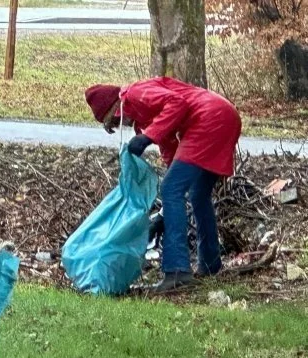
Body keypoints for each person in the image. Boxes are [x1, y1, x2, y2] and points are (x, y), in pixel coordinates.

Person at [85, 77, 242, 292]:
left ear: (116, 107)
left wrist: (148, 137)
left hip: (209, 118)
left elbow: (177, 103)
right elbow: (170, 149)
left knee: (170, 189)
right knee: (197, 194)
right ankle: (209, 264)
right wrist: (165, 213)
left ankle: (177, 271)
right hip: (224, 115)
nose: (120, 125)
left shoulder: (135, 94)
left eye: (114, 121)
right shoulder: (141, 117)